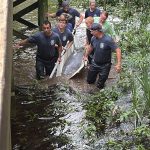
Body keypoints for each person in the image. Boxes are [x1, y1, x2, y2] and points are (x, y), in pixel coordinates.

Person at [83, 23, 121, 89]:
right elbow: (90, 47)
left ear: (97, 31)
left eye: (92, 31)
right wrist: (86, 56)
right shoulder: (93, 38)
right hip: (94, 63)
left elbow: (118, 50)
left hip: (105, 66)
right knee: (89, 81)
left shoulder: (108, 40)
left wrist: (118, 64)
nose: (91, 33)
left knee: (100, 85)